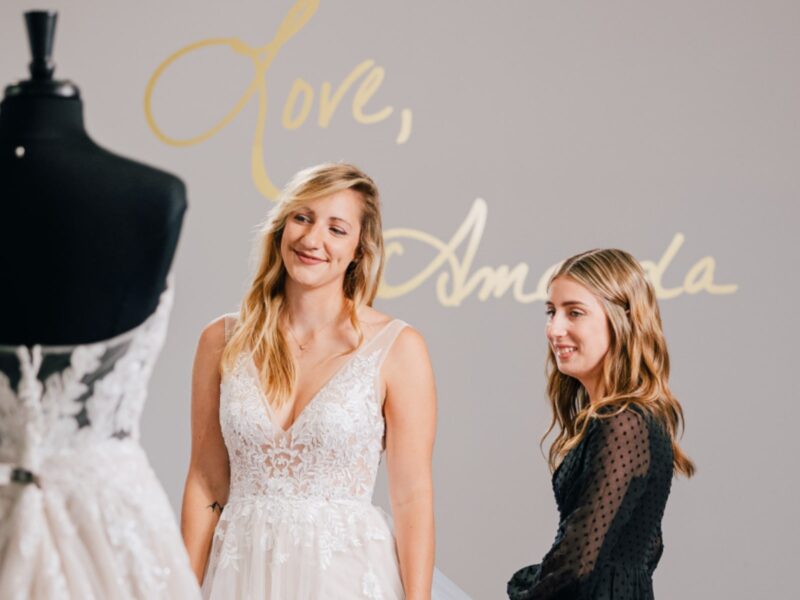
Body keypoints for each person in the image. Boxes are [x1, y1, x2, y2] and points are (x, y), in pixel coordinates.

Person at [181, 163, 437, 599]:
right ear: (282, 227)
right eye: (302, 218)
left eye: (337, 229)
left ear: (359, 248)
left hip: (346, 577)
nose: (312, 239)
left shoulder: (398, 347)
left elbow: (412, 496)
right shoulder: (220, 340)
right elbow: (206, 480)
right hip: (240, 576)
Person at [508, 249, 695, 600]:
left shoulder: (624, 423)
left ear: (621, 319)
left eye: (574, 313)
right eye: (551, 312)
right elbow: (648, 545)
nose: (554, 328)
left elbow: (578, 561)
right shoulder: (628, 420)